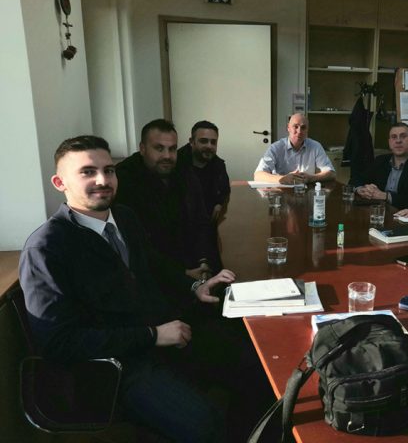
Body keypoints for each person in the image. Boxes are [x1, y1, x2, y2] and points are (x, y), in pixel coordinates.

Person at [19, 135, 242, 441]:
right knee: (208, 425)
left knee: (250, 360)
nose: (102, 180)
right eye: (87, 172)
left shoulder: (124, 217)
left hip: (160, 339)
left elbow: (153, 263)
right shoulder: (47, 247)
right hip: (116, 369)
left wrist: (195, 286)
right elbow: (57, 343)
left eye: (109, 170)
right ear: (60, 183)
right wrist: (151, 335)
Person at [116, 119, 222, 290]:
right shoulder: (125, 180)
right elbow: (137, 245)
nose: (167, 156)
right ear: (142, 148)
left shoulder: (183, 170)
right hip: (154, 276)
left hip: (192, 262)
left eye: (172, 149)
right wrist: (183, 273)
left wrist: (204, 261)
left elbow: (201, 220)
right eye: (159, 148)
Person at [356, 122, 408, 210]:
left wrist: (385, 196)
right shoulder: (380, 160)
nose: (398, 141)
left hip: (405, 215)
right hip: (378, 211)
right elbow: (357, 179)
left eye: (403, 136)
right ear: (389, 142)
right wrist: (361, 190)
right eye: (394, 137)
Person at [254, 113, 336, 184]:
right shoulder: (276, 148)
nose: (299, 131)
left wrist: (311, 178)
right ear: (288, 128)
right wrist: (283, 179)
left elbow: (331, 173)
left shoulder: (315, 146)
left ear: (307, 130)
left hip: (305, 192)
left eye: (303, 127)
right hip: (281, 192)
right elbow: (258, 175)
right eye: (295, 126)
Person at [177, 120, 230, 222]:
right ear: (192, 142)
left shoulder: (218, 164)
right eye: (203, 141)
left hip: (210, 221)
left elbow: (225, 189)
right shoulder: (176, 164)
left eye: (213, 142)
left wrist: (219, 204)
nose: (209, 146)